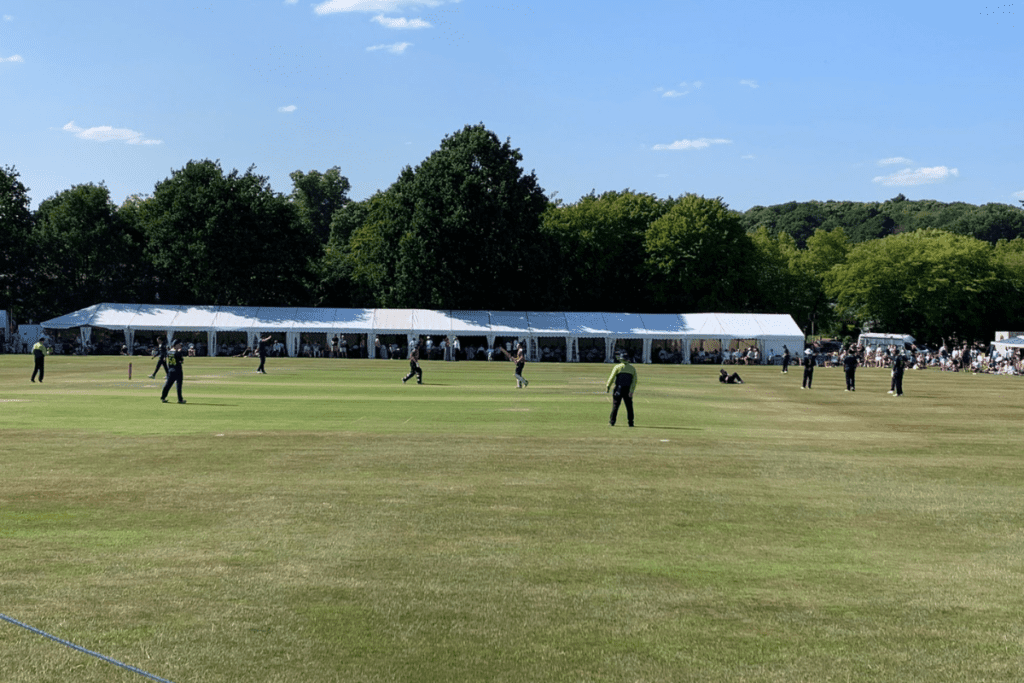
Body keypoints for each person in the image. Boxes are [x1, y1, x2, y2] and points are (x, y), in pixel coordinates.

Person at [606, 352, 637, 427]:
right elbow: (634, 381)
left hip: (618, 389)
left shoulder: (617, 367)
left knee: (615, 406)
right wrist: (631, 391)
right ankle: (631, 423)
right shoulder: (632, 368)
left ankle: (612, 422)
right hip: (628, 389)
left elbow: (611, 377)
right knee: (629, 407)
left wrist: (608, 386)